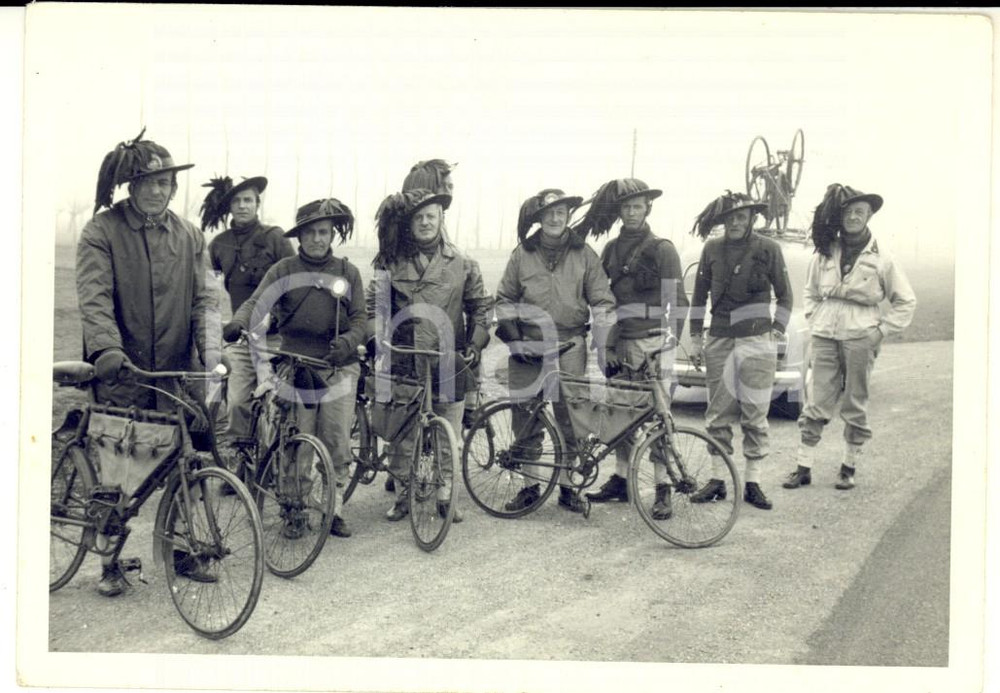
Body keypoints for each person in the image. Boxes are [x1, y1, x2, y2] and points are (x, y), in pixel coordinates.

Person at [77, 129, 219, 597]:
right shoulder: (101, 232)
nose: (158, 190)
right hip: (122, 372)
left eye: (165, 183)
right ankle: (109, 562)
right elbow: (95, 298)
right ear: (131, 185)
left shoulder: (190, 236)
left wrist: (212, 355)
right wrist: (106, 350)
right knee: (118, 470)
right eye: (148, 182)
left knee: (185, 462)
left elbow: (205, 301)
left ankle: (183, 550)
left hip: (174, 372)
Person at [224, 198, 366, 539]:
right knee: (295, 441)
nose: (317, 239)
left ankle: (333, 508)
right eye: (310, 233)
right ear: (299, 236)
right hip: (295, 365)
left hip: (337, 367)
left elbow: (361, 318)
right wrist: (239, 322)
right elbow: (256, 302)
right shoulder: (284, 270)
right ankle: (293, 508)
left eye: (324, 232)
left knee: (336, 440)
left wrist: (348, 342)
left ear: (332, 235)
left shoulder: (348, 273)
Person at [782, 184, 916, 491]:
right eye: (848, 212)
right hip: (825, 333)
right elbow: (810, 291)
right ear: (840, 216)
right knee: (816, 399)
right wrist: (814, 316)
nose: (853, 217)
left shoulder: (882, 258)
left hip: (861, 333)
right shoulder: (825, 251)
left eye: (860, 212)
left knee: (855, 400)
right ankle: (803, 467)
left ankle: (848, 467)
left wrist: (880, 332)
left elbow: (906, 301)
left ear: (869, 216)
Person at [369, 188, 491, 522]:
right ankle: (403, 494)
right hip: (404, 360)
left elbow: (480, 308)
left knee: (448, 432)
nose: (425, 223)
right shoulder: (390, 262)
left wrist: (475, 344)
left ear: (441, 219)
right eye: (419, 217)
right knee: (402, 434)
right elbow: (374, 306)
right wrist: (376, 340)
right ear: (409, 223)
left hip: (447, 360)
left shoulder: (463, 263)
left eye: (431, 216)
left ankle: (446, 495)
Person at [573, 178, 689, 519]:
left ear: (648, 208)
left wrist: (671, 343)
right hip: (619, 343)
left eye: (638, 206)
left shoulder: (662, 249)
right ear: (619, 211)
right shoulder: (611, 249)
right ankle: (622, 480)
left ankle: (663, 487)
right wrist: (605, 346)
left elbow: (677, 300)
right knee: (619, 413)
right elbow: (603, 300)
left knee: (658, 417)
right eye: (626, 207)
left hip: (652, 343)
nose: (632, 212)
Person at [495, 189, 616, 514]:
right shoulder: (522, 254)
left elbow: (603, 300)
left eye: (560, 212)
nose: (554, 218)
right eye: (548, 212)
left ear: (568, 216)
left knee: (572, 417)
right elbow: (504, 298)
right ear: (539, 218)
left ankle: (568, 487)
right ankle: (529, 487)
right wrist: (514, 338)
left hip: (570, 343)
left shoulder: (584, 254)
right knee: (525, 416)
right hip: (529, 343)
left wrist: (604, 341)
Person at [688, 190, 794, 510]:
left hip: (757, 339)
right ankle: (717, 480)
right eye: (729, 218)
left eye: (741, 217)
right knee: (718, 413)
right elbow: (699, 296)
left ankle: (753, 483)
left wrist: (777, 330)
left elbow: (786, 296)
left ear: (752, 219)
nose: (734, 223)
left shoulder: (769, 248)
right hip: (720, 338)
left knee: (755, 413)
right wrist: (695, 336)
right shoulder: (712, 249)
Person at [200, 175, 294, 466]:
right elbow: (209, 293)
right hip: (240, 336)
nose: (242, 206)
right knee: (238, 402)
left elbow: (294, 284)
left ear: (257, 204)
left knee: (276, 404)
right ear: (229, 206)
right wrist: (217, 328)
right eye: (237, 201)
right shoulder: (219, 246)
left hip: (276, 337)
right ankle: (243, 464)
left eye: (248, 200)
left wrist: (278, 318)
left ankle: (276, 465)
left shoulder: (276, 239)